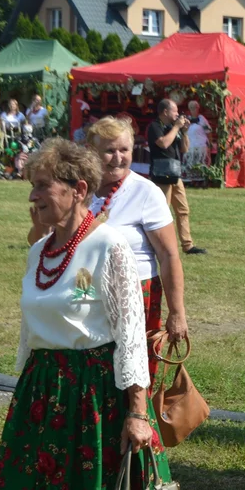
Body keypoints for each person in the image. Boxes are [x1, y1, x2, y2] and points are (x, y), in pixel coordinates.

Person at [0, 139, 170, 490]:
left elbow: (132, 333)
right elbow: (30, 331)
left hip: (92, 397)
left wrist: (137, 411)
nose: (32, 196)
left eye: (42, 185)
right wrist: (26, 388)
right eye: (32, 185)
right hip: (40, 394)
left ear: (78, 189)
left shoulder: (109, 246)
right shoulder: (37, 252)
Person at [86, 117, 189, 381]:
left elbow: (169, 256)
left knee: (133, 375)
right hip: (86, 294)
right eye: (109, 151)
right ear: (91, 152)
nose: (118, 158)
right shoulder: (80, 191)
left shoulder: (146, 193)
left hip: (134, 298)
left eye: (125, 150)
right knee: (91, 375)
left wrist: (177, 313)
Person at [148, 98, 205, 255]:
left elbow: (184, 149)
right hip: (161, 175)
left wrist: (184, 132)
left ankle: (188, 245)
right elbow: (164, 143)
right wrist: (176, 127)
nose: (178, 114)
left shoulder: (175, 128)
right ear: (165, 112)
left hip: (175, 173)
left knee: (183, 210)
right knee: (162, 210)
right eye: (175, 111)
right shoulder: (155, 126)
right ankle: (159, 244)